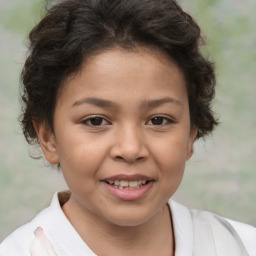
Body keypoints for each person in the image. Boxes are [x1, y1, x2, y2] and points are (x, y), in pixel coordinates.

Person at [0, 0, 255, 255]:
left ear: (191, 135)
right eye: (96, 120)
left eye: (158, 120)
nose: (131, 149)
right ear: (48, 138)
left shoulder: (242, 245)